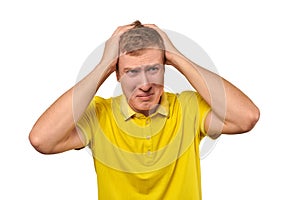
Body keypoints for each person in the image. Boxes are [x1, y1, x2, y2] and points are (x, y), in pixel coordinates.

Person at [29, 20, 260, 200]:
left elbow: (247, 117)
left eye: (153, 69)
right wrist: (103, 66)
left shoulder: (187, 108)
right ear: (116, 74)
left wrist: (176, 55)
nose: (145, 84)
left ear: (165, 67)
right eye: (131, 72)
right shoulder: (100, 114)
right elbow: (42, 140)